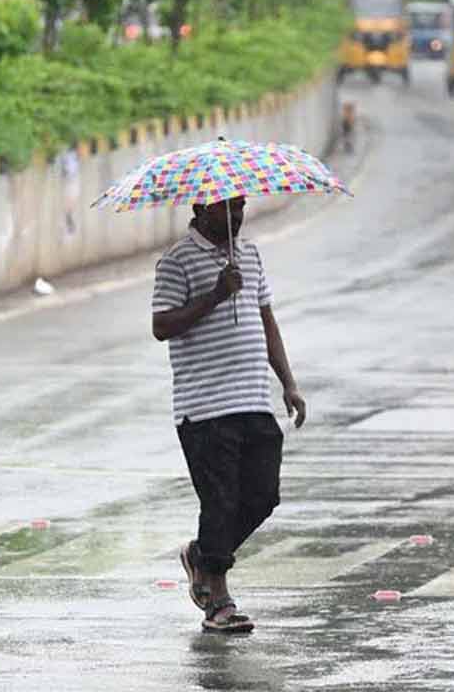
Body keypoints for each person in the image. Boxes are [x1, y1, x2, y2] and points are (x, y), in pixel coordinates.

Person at [152, 196, 307, 634]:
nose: (237, 216)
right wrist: (215, 296)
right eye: (226, 209)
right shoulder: (176, 262)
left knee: (262, 496)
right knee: (219, 501)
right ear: (200, 209)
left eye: (240, 207)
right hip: (203, 408)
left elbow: (267, 320)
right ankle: (218, 601)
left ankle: (202, 556)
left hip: (253, 398)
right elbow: (161, 326)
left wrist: (288, 383)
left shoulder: (251, 254)